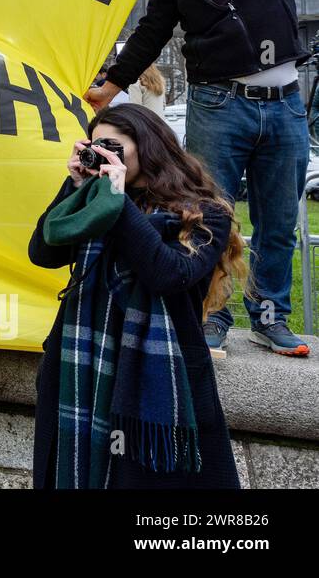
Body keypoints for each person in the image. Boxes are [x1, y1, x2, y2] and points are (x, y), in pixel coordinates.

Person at [87, 0, 310, 358]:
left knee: (279, 219)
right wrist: (110, 88)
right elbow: (151, 33)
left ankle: (271, 314)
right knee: (209, 213)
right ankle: (212, 314)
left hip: (284, 104)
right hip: (218, 105)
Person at [28, 104, 245, 488]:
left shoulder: (205, 213)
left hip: (156, 381)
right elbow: (43, 253)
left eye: (112, 146)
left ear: (149, 145)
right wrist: (74, 186)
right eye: (95, 147)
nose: (103, 155)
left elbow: (168, 274)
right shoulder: (95, 200)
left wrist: (116, 200)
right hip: (82, 366)